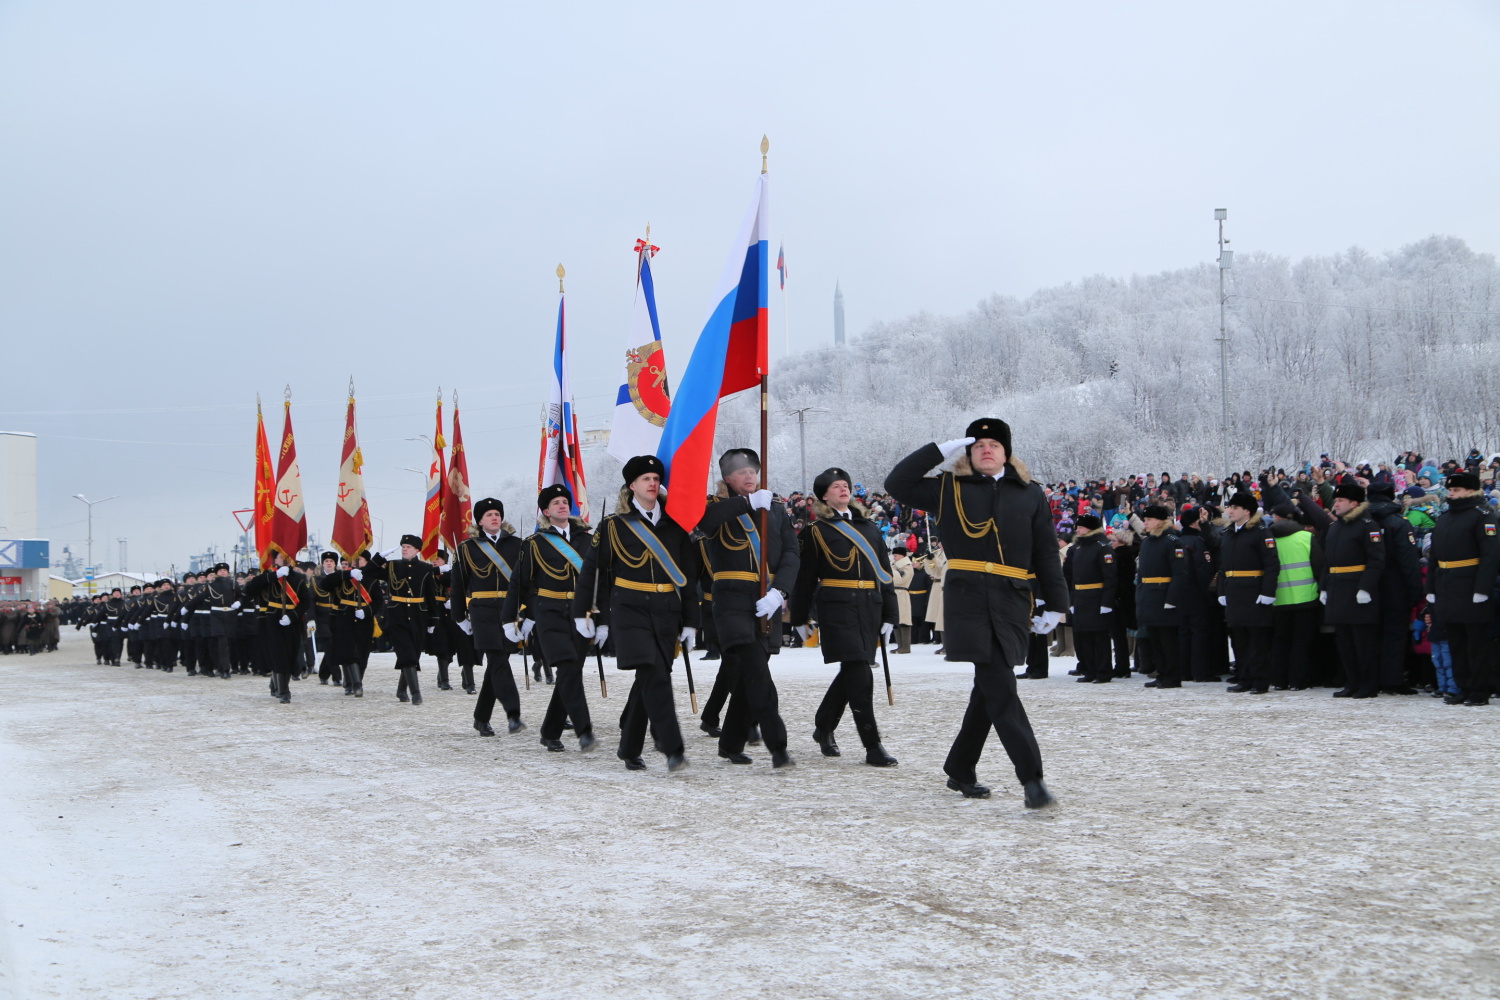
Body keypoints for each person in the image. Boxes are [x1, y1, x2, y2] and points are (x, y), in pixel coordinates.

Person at [885, 418, 1061, 808]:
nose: (986, 449)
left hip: (1014, 598)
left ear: (1006, 452)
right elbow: (896, 484)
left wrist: (1056, 603)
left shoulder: (1029, 494)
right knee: (999, 683)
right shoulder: (948, 488)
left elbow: (1046, 552)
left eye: (994, 444)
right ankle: (1032, 778)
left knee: (989, 688)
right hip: (969, 600)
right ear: (967, 452)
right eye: (978, 444)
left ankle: (961, 767)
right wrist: (937, 451)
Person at [573, 456, 697, 772]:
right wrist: (583, 612)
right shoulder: (613, 526)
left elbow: (689, 576)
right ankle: (671, 746)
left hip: (667, 610)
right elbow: (592, 572)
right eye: (645, 479)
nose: (653, 483)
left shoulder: (675, 524)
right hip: (629, 610)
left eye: (656, 478)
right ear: (631, 486)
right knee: (654, 676)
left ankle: (629, 747)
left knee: (652, 677)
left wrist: (692, 621)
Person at [789, 467, 900, 767]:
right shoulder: (816, 531)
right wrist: (799, 618)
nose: (843, 490)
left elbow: (885, 574)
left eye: (846, 485)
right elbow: (804, 579)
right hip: (837, 607)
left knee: (855, 670)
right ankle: (872, 745)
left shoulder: (868, 528)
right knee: (861, 673)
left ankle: (824, 725)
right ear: (824, 495)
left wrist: (891, 612)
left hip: (870, 606)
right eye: (836, 486)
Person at [694, 448, 797, 769]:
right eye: (740, 471)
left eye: (752, 469)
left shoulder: (776, 510)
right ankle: (777, 745)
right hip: (732, 601)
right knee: (757, 671)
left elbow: (792, 554)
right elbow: (704, 523)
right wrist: (747, 504)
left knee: (746, 675)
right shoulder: (716, 507)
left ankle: (730, 742)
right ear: (727, 479)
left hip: (767, 599)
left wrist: (780, 591)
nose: (749, 475)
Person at [501, 485, 596, 751]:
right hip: (549, 611)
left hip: (580, 614)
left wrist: (603, 616)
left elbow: (598, 580)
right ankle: (584, 730)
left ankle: (550, 731)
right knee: (567, 667)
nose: (562, 506)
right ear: (545, 511)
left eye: (565, 501)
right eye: (555, 503)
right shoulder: (534, 543)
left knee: (571, 672)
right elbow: (518, 583)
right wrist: (510, 619)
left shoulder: (587, 540)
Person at [451, 498, 526, 735]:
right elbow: (458, 585)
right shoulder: (466, 548)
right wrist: (459, 617)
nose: (494, 518)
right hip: (481, 611)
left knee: (497, 663)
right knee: (498, 660)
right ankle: (513, 713)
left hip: (509, 610)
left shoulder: (519, 545)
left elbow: (526, 580)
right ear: (480, 521)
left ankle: (481, 717)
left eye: (497, 514)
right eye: (489, 515)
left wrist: (526, 612)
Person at [1426, 472, 1500, 705]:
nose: (1451, 494)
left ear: (1470, 491)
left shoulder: (1483, 516)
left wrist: (1482, 588)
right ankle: (1462, 686)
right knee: (1455, 640)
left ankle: (1479, 690)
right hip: (1448, 584)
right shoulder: (1446, 517)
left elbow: (1491, 555)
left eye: (1456, 490)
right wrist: (1431, 586)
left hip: (1471, 584)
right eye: (1450, 490)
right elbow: (1434, 556)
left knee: (1476, 641)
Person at [1319, 482, 1387, 699]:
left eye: (1340, 501)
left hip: (1357, 588)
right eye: (1336, 500)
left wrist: (1365, 587)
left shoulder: (1368, 525)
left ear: (1354, 503)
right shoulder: (1335, 527)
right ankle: (1352, 682)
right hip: (1338, 588)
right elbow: (1327, 562)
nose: (1335, 504)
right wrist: (1324, 587)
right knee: (1345, 641)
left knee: (1362, 642)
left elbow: (1376, 560)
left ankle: (1368, 685)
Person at [1214, 493, 1279, 694]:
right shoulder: (1229, 533)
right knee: (1238, 638)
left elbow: (1271, 564)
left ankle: (1260, 680)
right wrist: (1222, 590)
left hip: (1253, 590)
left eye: (1234, 507)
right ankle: (1244, 678)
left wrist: (1268, 591)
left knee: (1257, 639)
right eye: (1229, 507)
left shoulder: (1261, 532)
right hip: (1234, 591)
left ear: (1247, 511)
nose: (1229, 511)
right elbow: (1224, 566)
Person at [1365, 482, 1423, 694]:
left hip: (1365, 587)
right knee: (1394, 635)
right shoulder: (1398, 523)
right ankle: (1392, 679)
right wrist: (1415, 590)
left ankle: (1370, 678)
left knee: (1370, 635)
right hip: (1394, 587)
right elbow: (1408, 560)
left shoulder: (1361, 521)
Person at [368, 535, 439, 705]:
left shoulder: (425, 568)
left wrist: (432, 620)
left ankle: (401, 690)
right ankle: (415, 692)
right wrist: (379, 557)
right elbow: (369, 572)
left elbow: (430, 595)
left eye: (408, 546)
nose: (405, 549)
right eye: (403, 546)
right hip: (397, 615)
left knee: (413, 654)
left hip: (418, 615)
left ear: (416, 550)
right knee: (406, 653)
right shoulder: (392, 566)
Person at [1135, 505, 1192, 689]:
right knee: (1155, 639)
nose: (1145, 523)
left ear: (1160, 520)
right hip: (1149, 596)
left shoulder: (1172, 541)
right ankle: (1162, 673)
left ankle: (1173, 676)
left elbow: (1180, 573)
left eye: (1149, 519)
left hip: (1164, 594)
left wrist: (1171, 599)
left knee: (1168, 640)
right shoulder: (1147, 542)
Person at [242, 552, 312, 703]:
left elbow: (305, 602)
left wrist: (293, 616)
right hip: (273, 619)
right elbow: (250, 589)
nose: (284, 559)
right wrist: (275, 575)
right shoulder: (269, 576)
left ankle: (280, 684)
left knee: (291, 654)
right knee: (278, 654)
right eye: (281, 557)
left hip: (292, 620)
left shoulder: (298, 578)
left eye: (288, 557)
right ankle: (283, 691)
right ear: (275, 559)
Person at [1268, 504, 1322, 690]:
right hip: (1306, 597)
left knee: (1280, 641)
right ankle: (1298, 681)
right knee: (1302, 642)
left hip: (1277, 599)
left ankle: (1279, 680)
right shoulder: (1307, 537)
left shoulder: (1269, 539)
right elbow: (1318, 567)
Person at [1063, 514, 1116, 683]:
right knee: (1084, 636)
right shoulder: (1078, 549)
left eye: (1081, 527)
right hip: (1080, 597)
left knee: (1099, 637)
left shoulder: (1102, 548)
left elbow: (1110, 577)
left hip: (1096, 597)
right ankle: (1090, 670)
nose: (1077, 529)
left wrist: (1106, 602)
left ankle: (1103, 671)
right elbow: (1072, 578)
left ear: (1090, 528)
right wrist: (1072, 601)